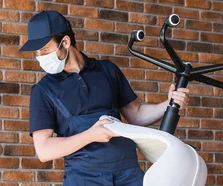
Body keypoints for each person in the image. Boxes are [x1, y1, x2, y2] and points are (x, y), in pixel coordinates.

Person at [20, 10, 190, 186]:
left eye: (44, 50)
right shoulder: (43, 90)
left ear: (65, 42)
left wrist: (169, 103)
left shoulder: (107, 70)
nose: (39, 57)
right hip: (84, 178)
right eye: (37, 52)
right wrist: (90, 135)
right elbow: (44, 150)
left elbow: (136, 115)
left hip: (129, 175)